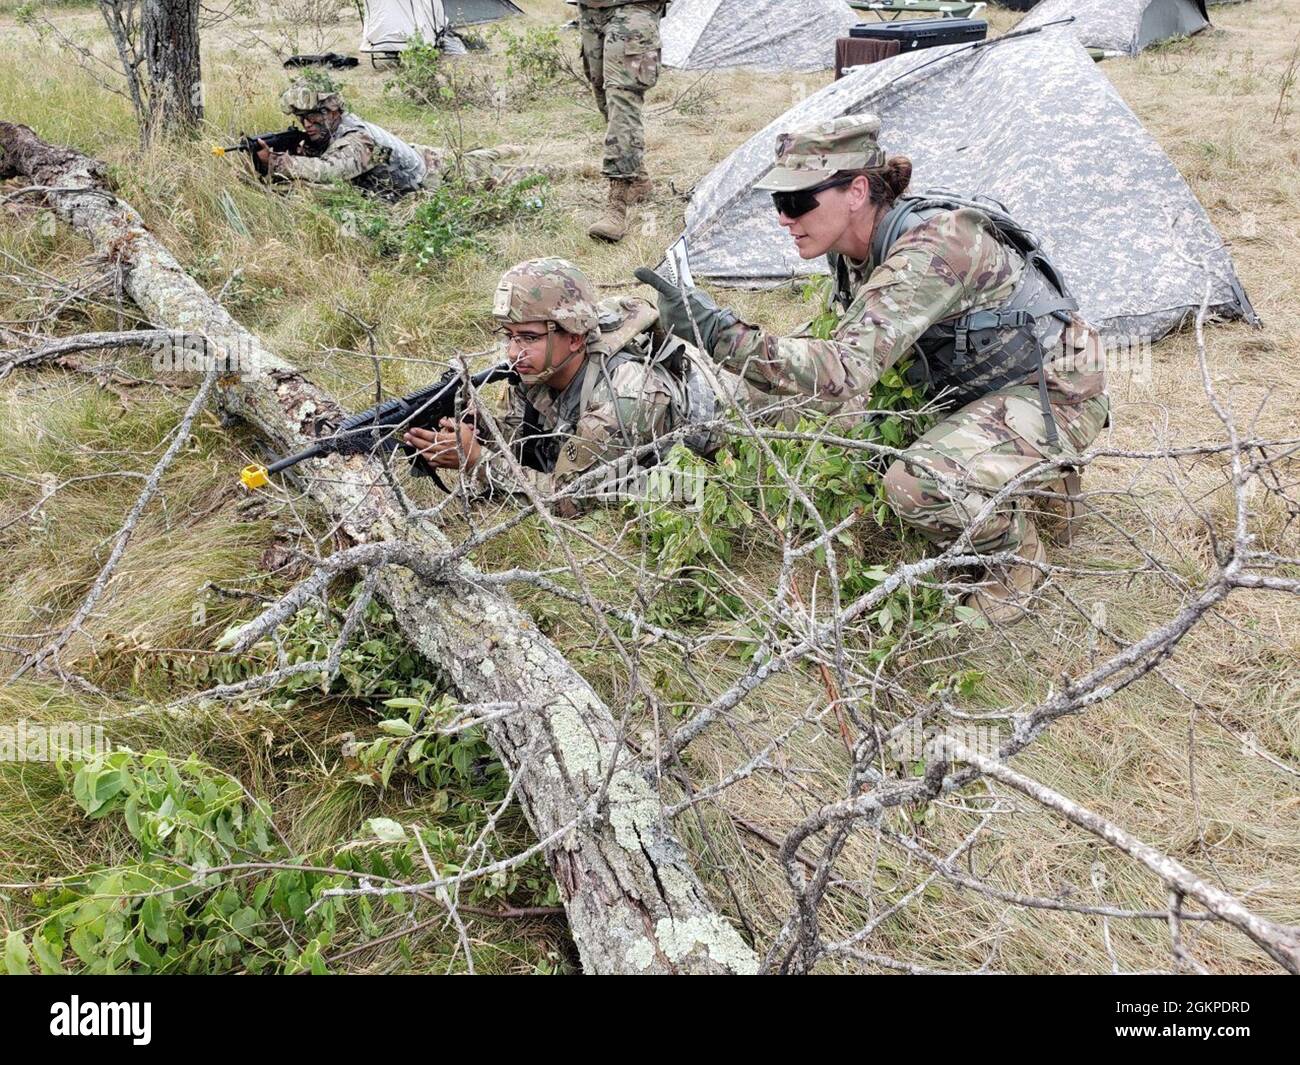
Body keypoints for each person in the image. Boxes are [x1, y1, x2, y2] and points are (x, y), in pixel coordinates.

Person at [636, 114, 1109, 624]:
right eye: (779, 203)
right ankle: (1019, 475)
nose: (784, 219)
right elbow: (839, 357)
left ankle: (1013, 559)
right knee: (794, 409)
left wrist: (720, 333)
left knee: (916, 482)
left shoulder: (934, 247)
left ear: (857, 191)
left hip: (1052, 390)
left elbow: (844, 370)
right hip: (966, 384)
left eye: (797, 202)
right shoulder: (852, 248)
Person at [402, 257, 720, 516]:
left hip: (733, 426)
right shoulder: (536, 370)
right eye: (508, 336)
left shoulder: (622, 395)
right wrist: (481, 427)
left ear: (575, 338)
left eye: (528, 337)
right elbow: (527, 444)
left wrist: (477, 462)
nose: (513, 352)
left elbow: (569, 499)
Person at [259, 82, 527, 199]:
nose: (307, 124)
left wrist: (278, 162)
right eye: (302, 118)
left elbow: (331, 171)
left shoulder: (356, 139)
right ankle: (509, 149)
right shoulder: (335, 129)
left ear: (333, 112)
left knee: (516, 175)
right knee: (479, 156)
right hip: (421, 156)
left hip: (437, 174)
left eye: (314, 116)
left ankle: (534, 154)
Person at [577, 0, 666, 242]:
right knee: (603, 94)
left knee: (622, 96)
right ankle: (637, 178)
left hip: (636, 8)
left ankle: (616, 206)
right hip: (591, 8)